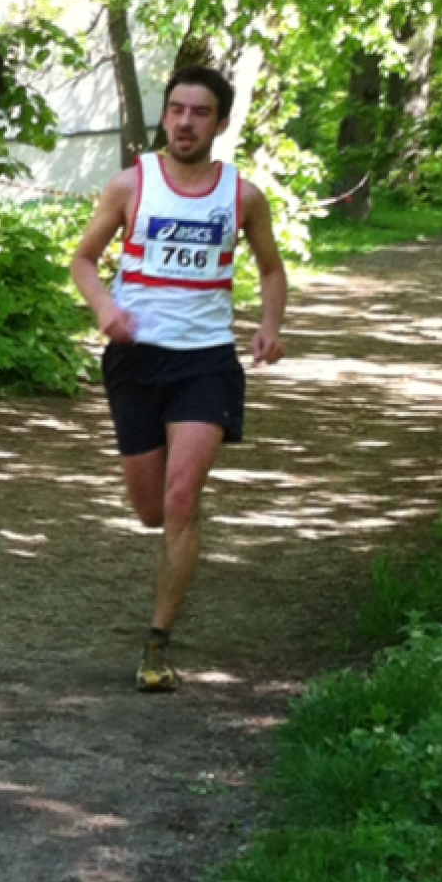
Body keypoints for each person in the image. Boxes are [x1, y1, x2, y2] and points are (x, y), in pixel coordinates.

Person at [71, 65, 287, 691]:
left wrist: (271, 325)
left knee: (181, 501)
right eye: (176, 110)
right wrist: (105, 308)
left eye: (200, 112)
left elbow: (271, 269)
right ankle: (176, 529)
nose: (186, 122)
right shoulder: (130, 185)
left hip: (205, 361)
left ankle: (156, 644)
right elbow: (83, 260)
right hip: (136, 360)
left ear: (220, 123)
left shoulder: (243, 197)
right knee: (150, 511)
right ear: (164, 116)